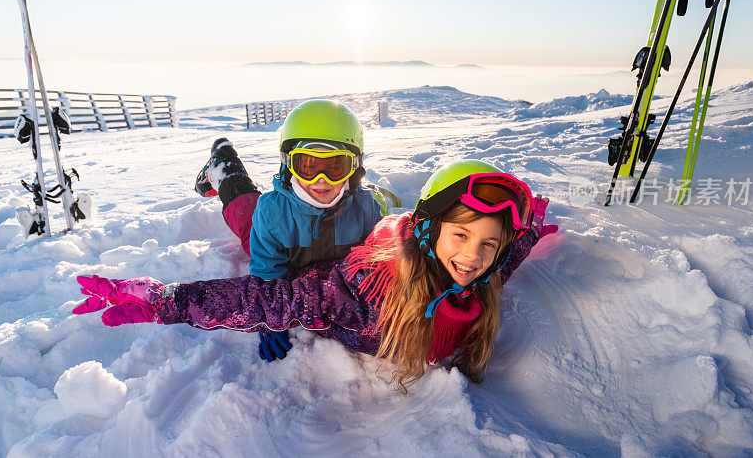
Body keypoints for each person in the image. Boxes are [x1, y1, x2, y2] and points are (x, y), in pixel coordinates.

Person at [73, 160, 557, 391]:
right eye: (461, 236)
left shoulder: (482, 279)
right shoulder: (367, 294)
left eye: (487, 243)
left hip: (372, 232)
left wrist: (528, 231)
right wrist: (165, 300)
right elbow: (267, 302)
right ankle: (226, 168)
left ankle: (381, 200)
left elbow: (505, 261)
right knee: (253, 219)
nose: (473, 256)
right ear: (430, 232)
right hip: (309, 267)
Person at [193, 99, 383, 361]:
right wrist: (271, 319)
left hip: (325, 285)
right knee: (248, 218)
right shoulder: (272, 214)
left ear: (354, 168)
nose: (321, 181)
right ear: (287, 163)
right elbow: (267, 274)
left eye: (334, 167)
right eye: (307, 165)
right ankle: (226, 168)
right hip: (287, 261)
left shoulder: (365, 210)